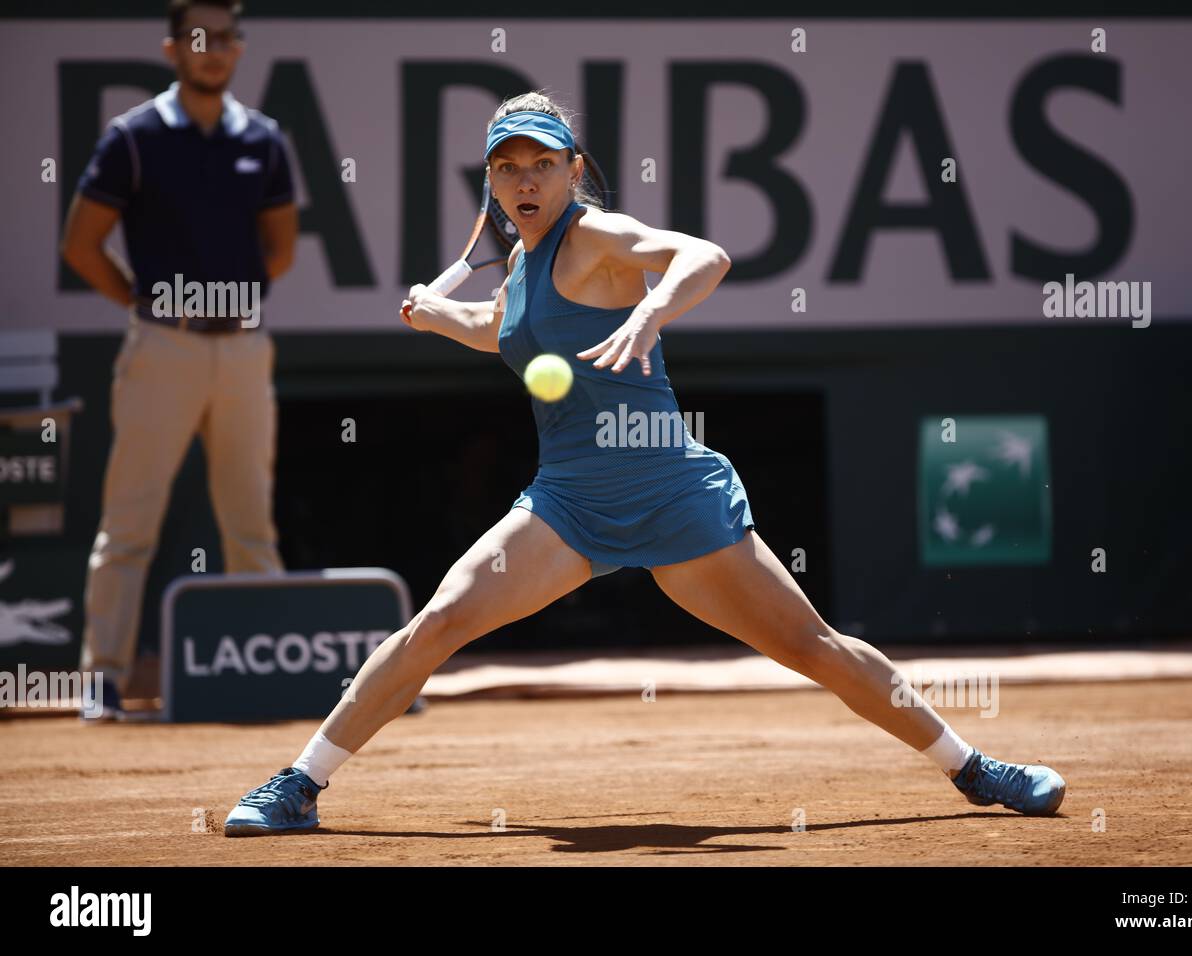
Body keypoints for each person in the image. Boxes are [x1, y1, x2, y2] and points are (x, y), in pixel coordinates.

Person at [223, 92, 1064, 836]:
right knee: (438, 623)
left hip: (672, 493)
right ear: (492, 180)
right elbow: (506, 335)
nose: (525, 181)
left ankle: (973, 767)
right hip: (567, 505)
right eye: (507, 167)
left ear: (572, 170)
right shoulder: (517, 265)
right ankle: (300, 784)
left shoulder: (598, 237)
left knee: (815, 648)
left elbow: (706, 256)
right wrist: (443, 316)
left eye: (542, 165)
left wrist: (654, 309)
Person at [60, 0, 297, 722]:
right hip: (161, 346)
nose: (214, 49)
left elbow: (279, 250)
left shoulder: (265, 138)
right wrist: (147, 302)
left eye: (226, 37)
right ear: (173, 49)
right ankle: (102, 679)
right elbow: (81, 244)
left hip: (244, 349)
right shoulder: (131, 139)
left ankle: (266, 673)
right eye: (200, 38)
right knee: (130, 522)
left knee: (250, 523)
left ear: (238, 48)